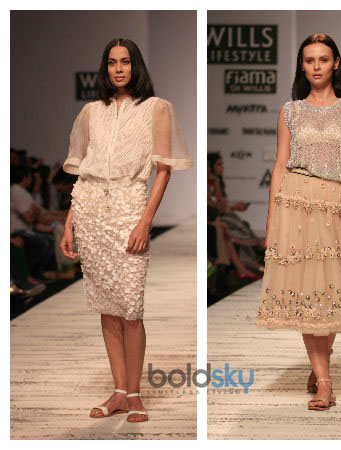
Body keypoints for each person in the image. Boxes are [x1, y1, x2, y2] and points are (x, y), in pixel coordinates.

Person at [60, 38, 193, 423]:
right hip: (90, 211)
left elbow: (163, 171)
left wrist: (145, 220)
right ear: (105, 68)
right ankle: (119, 391)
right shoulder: (91, 112)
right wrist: (69, 223)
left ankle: (134, 394)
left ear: (136, 66)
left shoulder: (156, 108)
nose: (119, 69)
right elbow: (82, 173)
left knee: (131, 307)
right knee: (107, 307)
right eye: (112, 62)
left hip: (129, 206)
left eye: (125, 62)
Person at [255, 34, 341, 411]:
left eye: (323, 59)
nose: (317, 66)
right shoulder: (290, 111)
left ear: (336, 63)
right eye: (309, 60)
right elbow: (279, 165)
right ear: (302, 66)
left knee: (334, 291)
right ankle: (324, 382)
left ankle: (322, 359)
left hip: (339, 205)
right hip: (297, 203)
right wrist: (271, 219)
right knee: (306, 293)